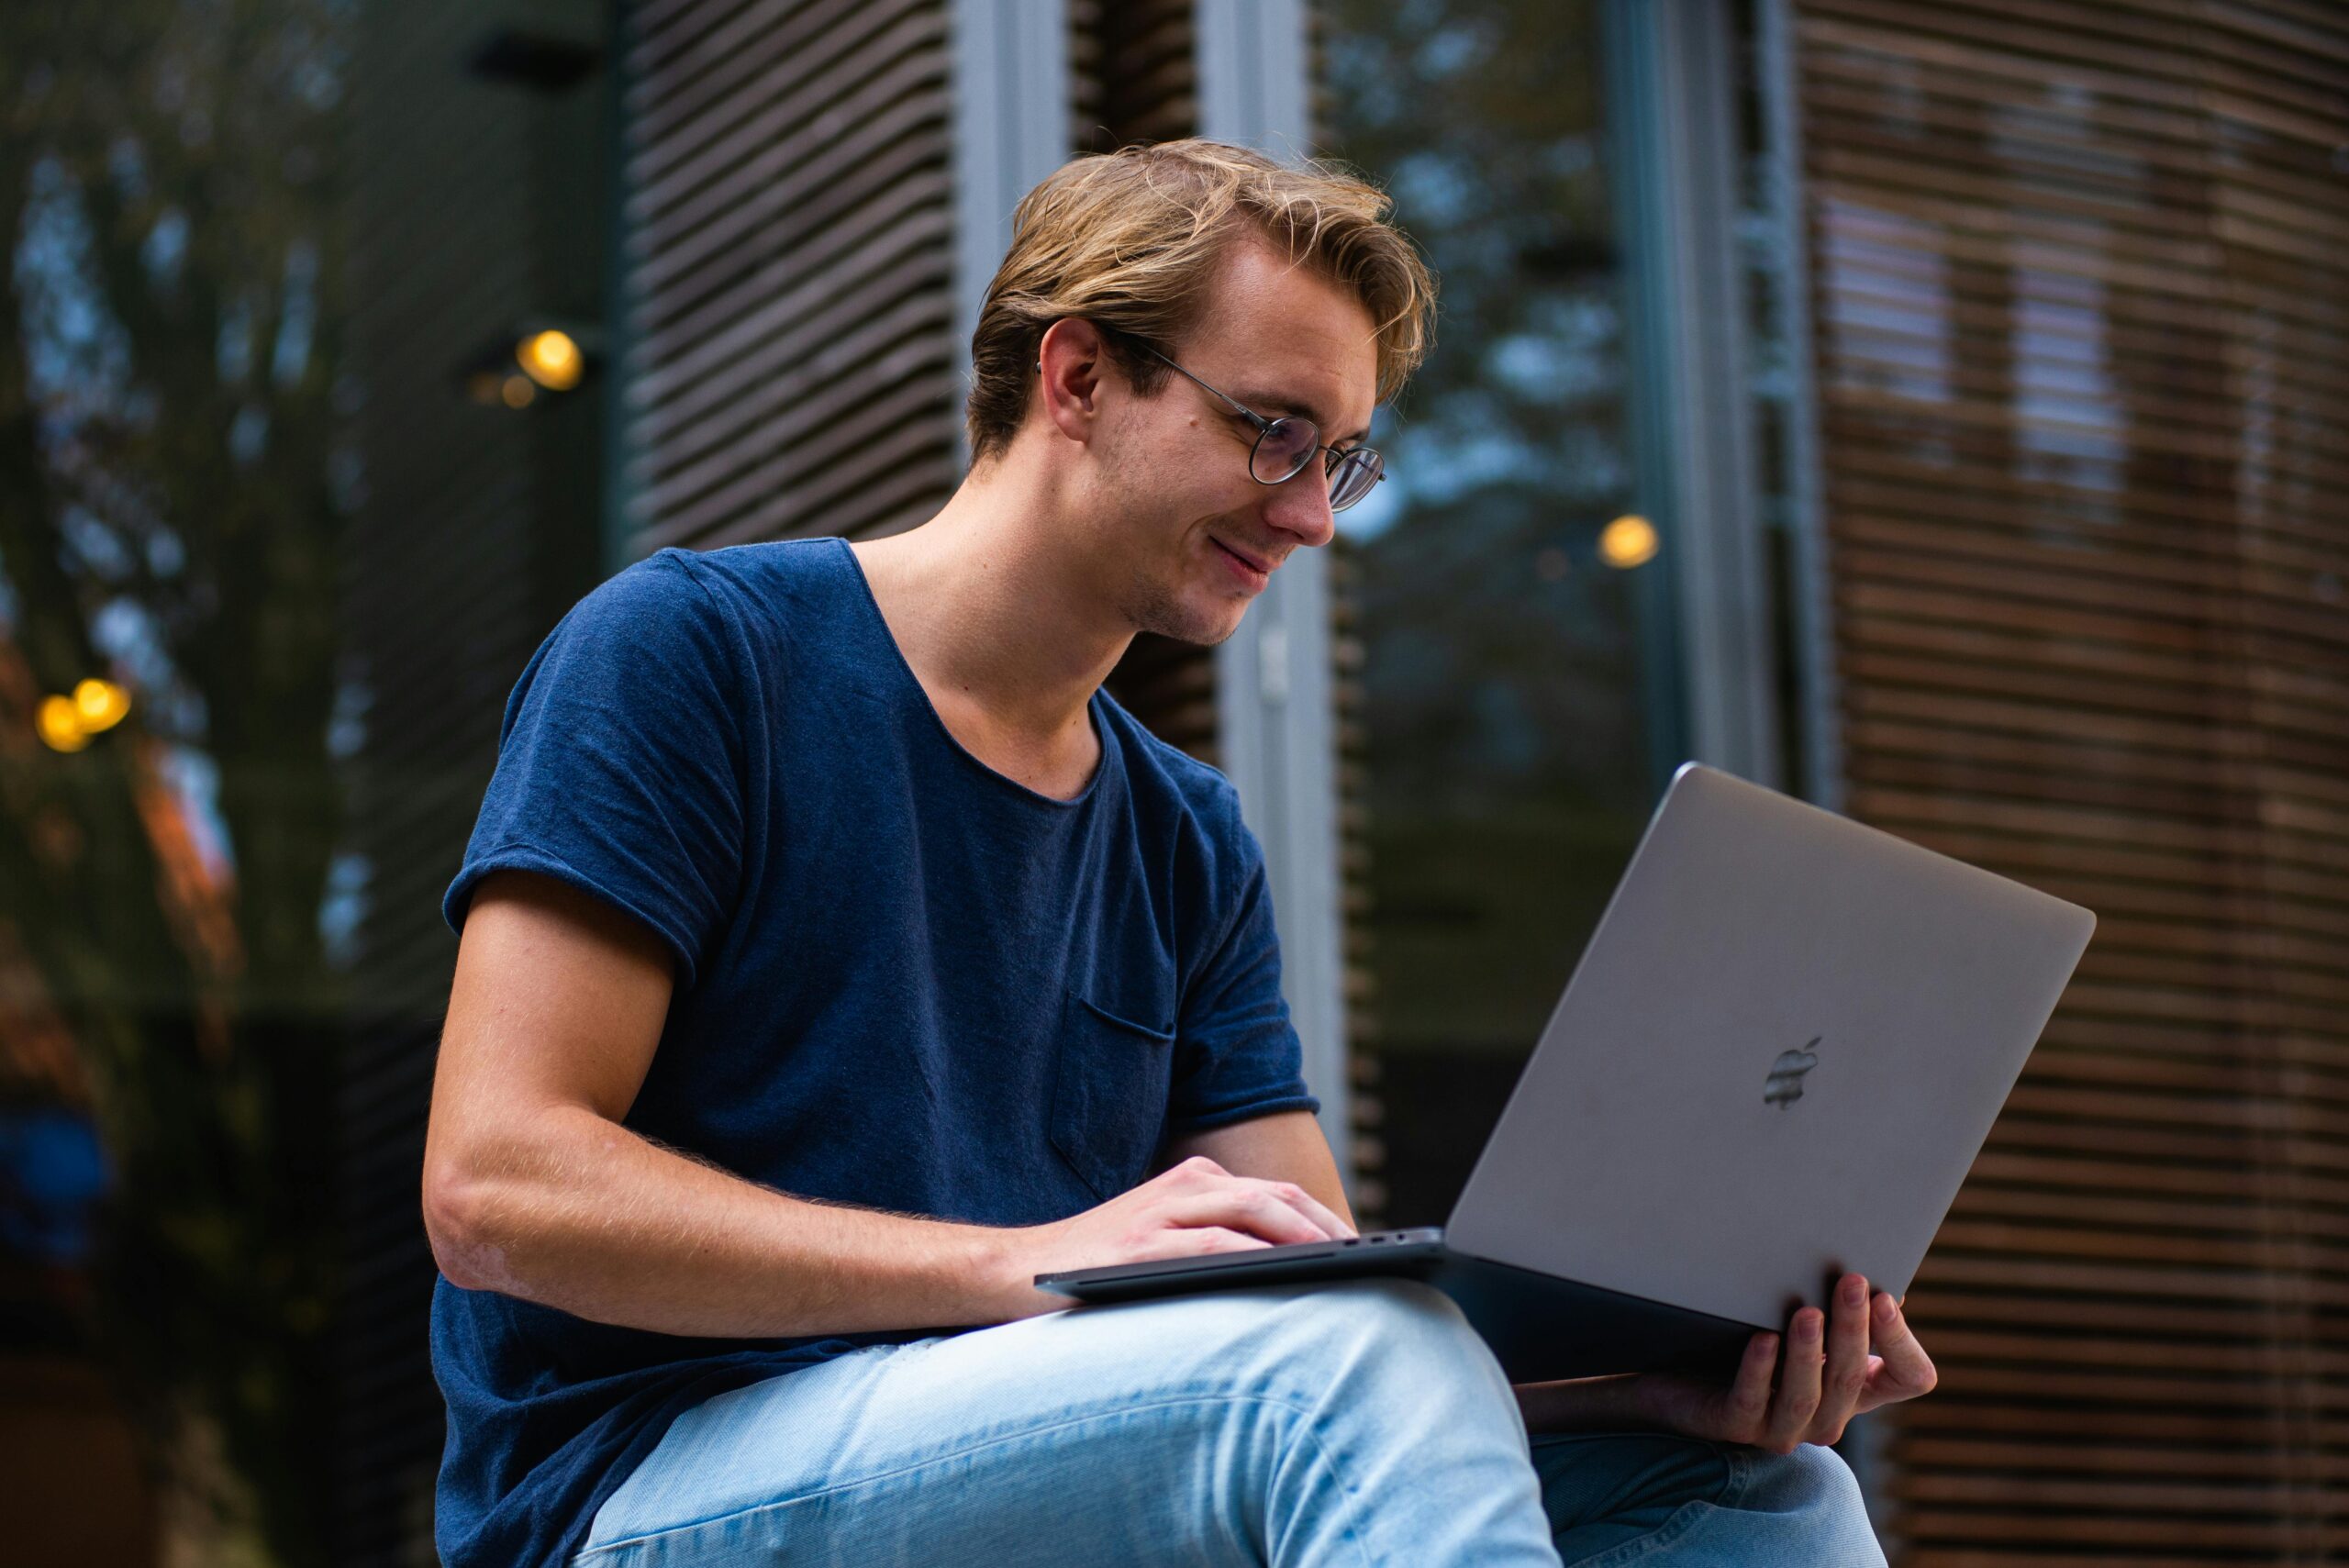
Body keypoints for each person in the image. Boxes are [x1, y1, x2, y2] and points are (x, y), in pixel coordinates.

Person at [420, 137, 1932, 1568]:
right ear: (1077, 375)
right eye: (1274, 430)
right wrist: (1025, 1262)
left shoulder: (1185, 835)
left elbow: (1331, 1322)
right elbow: (495, 1191)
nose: (1310, 516)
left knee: (1762, 1495)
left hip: (1032, 1457)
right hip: (644, 1484)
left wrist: (1633, 1389)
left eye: (1341, 459)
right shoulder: (697, 656)